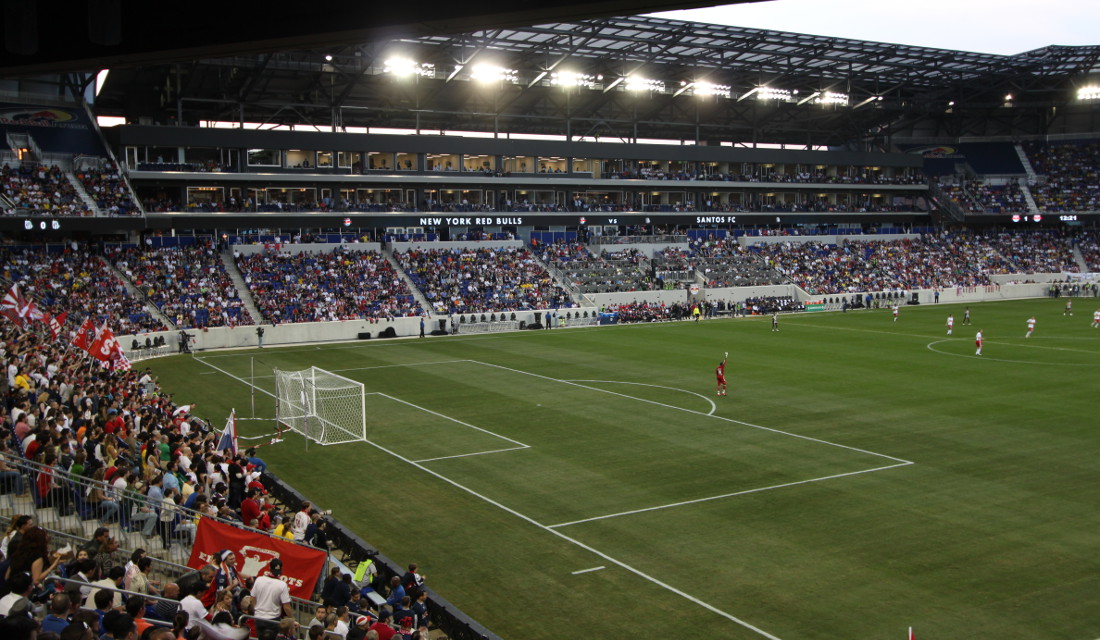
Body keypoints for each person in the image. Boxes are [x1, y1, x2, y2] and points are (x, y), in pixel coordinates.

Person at [252, 558, 293, 631]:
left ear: (269, 568)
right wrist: (292, 619)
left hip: (259, 617)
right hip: (273, 619)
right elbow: (286, 606)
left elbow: (252, 599)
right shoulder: (282, 584)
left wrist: (255, 611)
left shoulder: (259, 579)